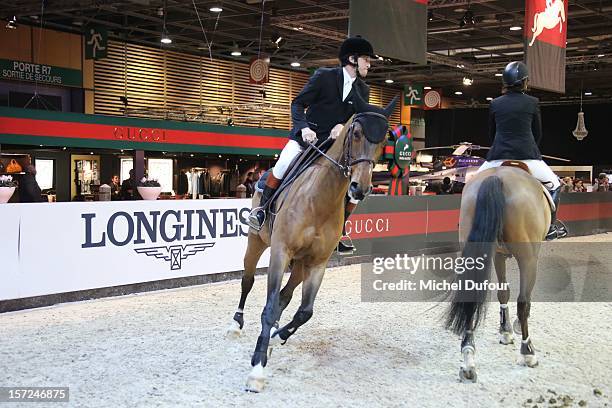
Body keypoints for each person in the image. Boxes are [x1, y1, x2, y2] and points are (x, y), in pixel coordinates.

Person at [247, 36, 375, 254]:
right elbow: (297, 104)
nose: (369, 64)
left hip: (334, 149)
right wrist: (304, 128)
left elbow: (358, 120)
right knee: (282, 165)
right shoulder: (324, 77)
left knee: (356, 190)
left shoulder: (363, 90)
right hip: (307, 139)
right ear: (352, 59)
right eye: (366, 59)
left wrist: (342, 126)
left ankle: (339, 230)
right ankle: (261, 211)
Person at [477, 61, 567, 240]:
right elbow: (537, 133)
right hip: (528, 157)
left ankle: (471, 221)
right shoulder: (533, 102)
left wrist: (498, 149)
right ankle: (550, 227)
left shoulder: (495, 103)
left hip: (497, 156)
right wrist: (531, 148)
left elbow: (491, 133)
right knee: (555, 185)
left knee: (472, 184)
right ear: (525, 81)